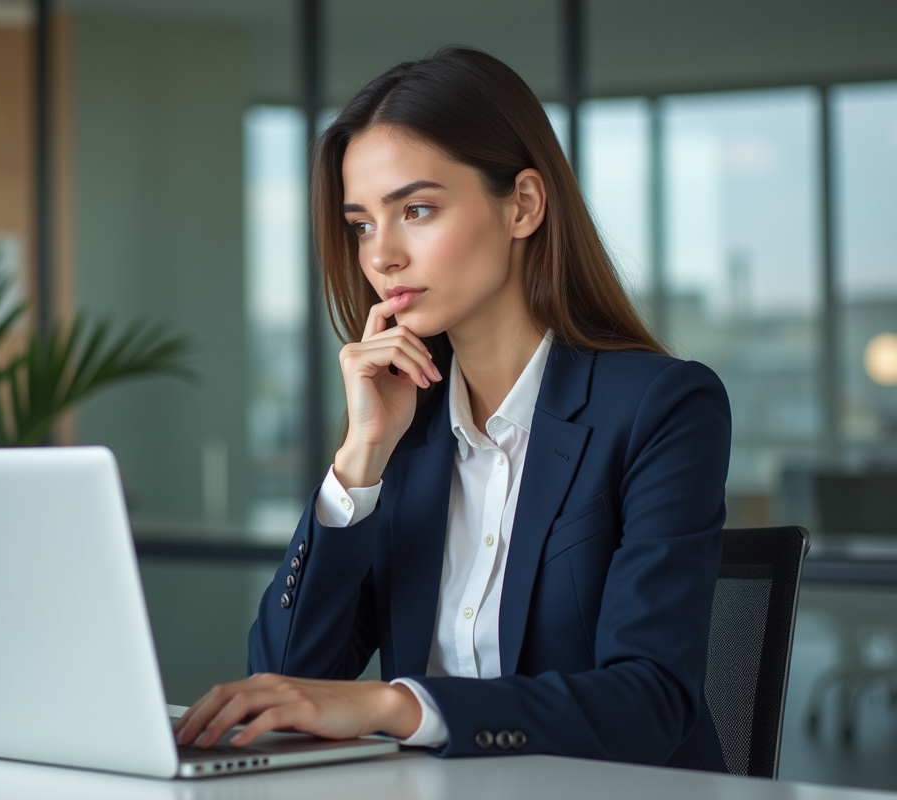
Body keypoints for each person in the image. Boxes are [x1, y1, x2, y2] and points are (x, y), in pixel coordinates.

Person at [173, 47, 731, 771]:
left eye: (417, 209)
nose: (383, 256)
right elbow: (287, 668)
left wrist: (395, 706)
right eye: (362, 224)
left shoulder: (661, 407)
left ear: (523, 205)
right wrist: (360, 460)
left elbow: (649, 702)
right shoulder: (408, 425)